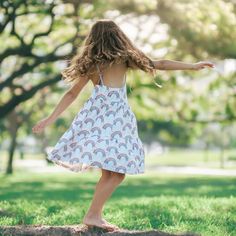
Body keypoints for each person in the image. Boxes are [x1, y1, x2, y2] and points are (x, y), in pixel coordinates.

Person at [32, 19, 214, 232]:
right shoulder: (125, 58)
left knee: (110, 174)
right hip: (117, 121)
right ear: (117, 36)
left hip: (96, 120)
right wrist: (191, 66)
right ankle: (92, 215)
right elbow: (160, 63)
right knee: (117, 174)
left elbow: (72, 93)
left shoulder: (91, 64)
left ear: (93, 39)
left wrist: (49, 119)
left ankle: (95, 215)